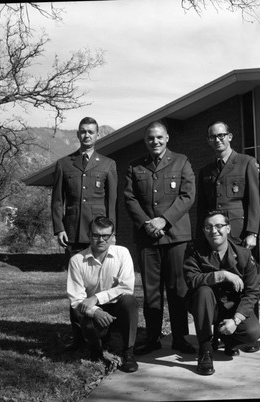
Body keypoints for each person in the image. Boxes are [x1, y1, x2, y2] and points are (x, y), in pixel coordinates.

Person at [124, 120, 196, 355]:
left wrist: (164, 220)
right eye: (150, 138)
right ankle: (153, 337)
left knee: (178, 290)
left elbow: (187, 195)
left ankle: (180, 338)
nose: (155, 141)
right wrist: (147, 224)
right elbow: (130, 198)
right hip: (148, 238)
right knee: (152, 292)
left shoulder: (181, 161)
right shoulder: (135, 167)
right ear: (145, 141)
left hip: (176, 237)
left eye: (159, 137)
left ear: (167, 138)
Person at [52, 116, 118, 350]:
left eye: (91, 131)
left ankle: (104, 335)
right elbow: (58, 201)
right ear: (77, 134)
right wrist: (59, 228)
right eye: (83, 131)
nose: (87, 135)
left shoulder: (108, 164)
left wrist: (112, 233)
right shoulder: (64, 164)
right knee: (76, 287)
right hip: (73, 233)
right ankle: (79, 336)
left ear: (97, 134)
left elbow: (112, 203)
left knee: (101, 285)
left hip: (99, 235)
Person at [196, 120, 260, 353]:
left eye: (221, 135)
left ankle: (243, 335)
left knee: (245, 282)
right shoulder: (206, 171)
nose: (218, 140)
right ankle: (220, 334)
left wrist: (252, 232)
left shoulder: (246, 163)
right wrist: (201, 237)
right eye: (213, 137)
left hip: (239, 234)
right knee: (218, 285)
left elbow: (254, 200)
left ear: (230, 136)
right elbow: (202, 209)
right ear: (208, 141)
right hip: (215, 236)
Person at [184, 210, 260, 375]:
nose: (214, 231)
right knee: (203, 291)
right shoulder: (194, 249)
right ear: (204, 230)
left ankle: (228, 340)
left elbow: (252, 292)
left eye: (219, 226)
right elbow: (191, 279)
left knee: (252, 333)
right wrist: (221, 275)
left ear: (228, 228)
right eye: (208, 227)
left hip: (231, 307)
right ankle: (205, 350)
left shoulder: (244, 254)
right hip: (206, 305)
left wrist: (236, 320)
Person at [67, 216, 139, 373]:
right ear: (89, 235)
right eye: (96, 235)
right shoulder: (77, 261)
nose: (101, 240)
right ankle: (96, 347)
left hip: (116, 306)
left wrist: (96, 298)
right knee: (87, 321)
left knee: (129, 301)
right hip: (92, 309)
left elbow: (126, 287)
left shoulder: (122, 253)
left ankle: (128, 353)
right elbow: (76, 300)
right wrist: (96, 311)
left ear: (113, 237)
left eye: (105, 236)